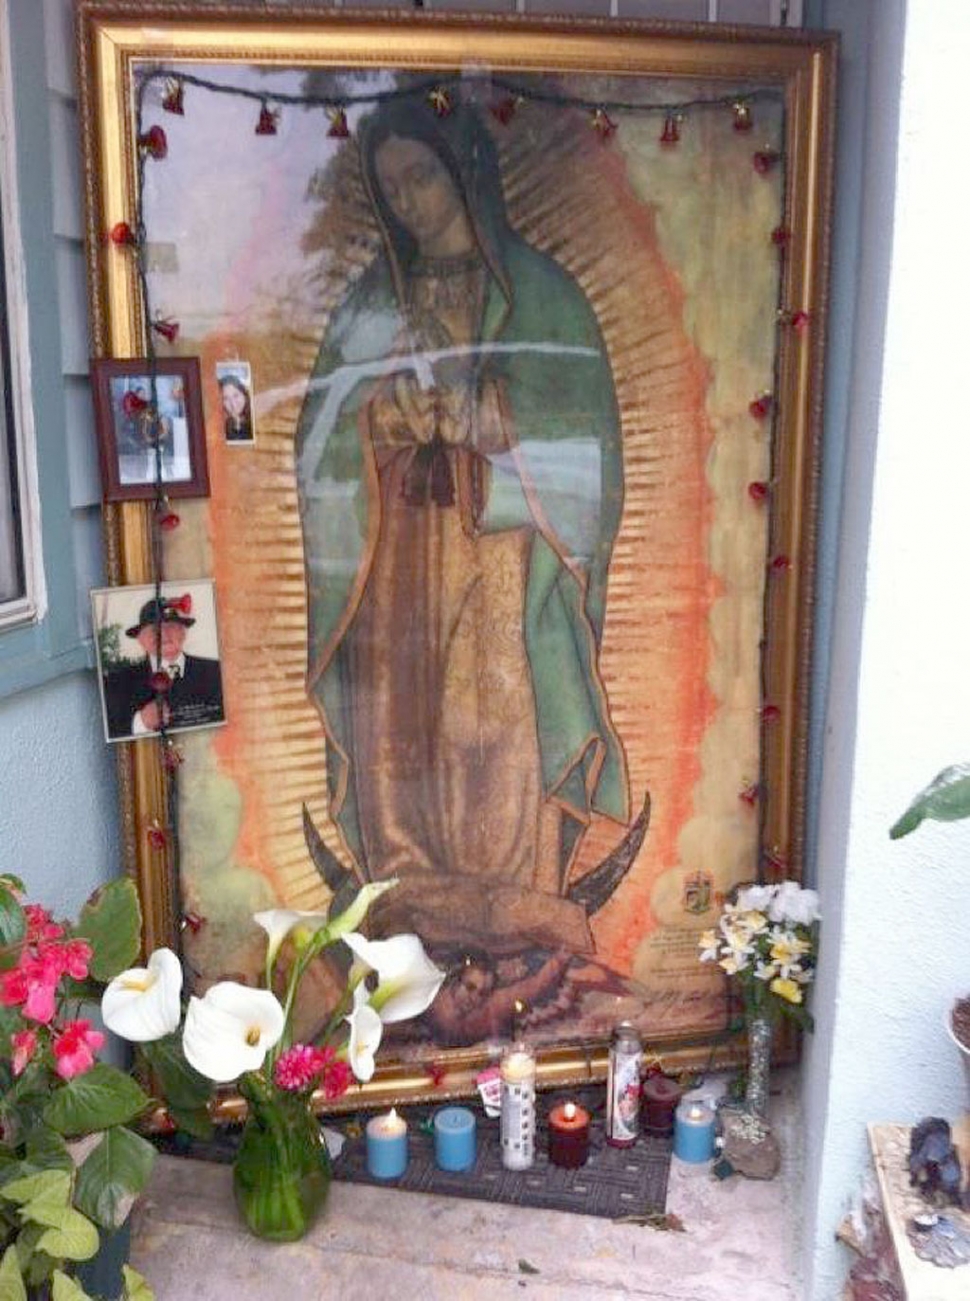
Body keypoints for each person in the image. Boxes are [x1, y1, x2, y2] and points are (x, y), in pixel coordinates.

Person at [296, 99, 630, 967]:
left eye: (423, 176)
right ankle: (408, 892)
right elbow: (320, 437)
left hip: (497, 545)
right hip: (399, 548)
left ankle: (511, 895)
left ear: (466, 173)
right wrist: (383, 418)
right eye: (392, 186)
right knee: (403, 713)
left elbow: (584, 433)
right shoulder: (372, 305)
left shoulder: (541, 294)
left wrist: (491, 415)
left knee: (492, 712)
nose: (409, 201)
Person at [102, 595, 224, 740]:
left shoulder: (216, 672)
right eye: (154, 628)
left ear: (183, 633)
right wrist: (141, 722)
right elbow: (109, 734)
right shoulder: (117, 682)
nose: (163, 634)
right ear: (140, 639)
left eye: (170, 626)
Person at [219, 373, 254, 443]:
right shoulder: (220, 425)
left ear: (244, 394)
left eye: (236, 395)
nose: (233, 404)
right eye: (225, 398)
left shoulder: (255, 419)